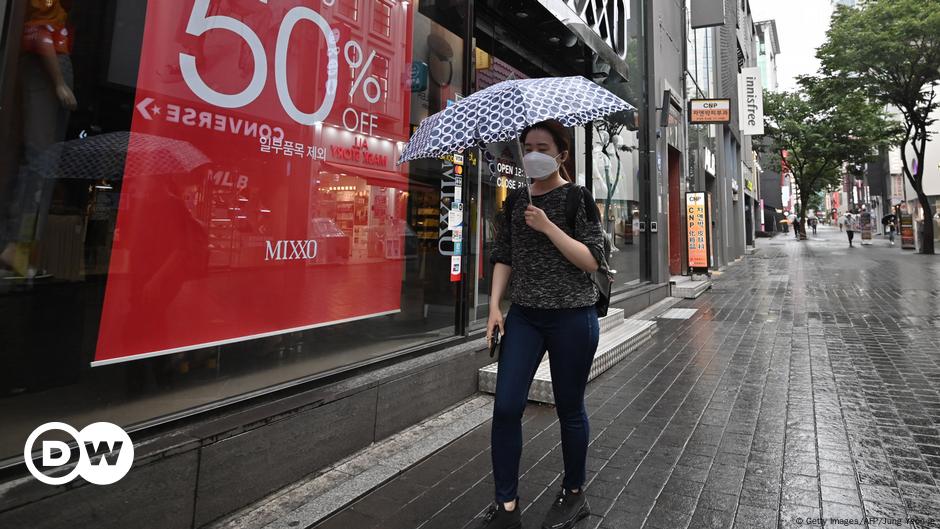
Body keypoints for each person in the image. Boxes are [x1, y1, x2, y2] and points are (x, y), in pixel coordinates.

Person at [479, 119, 604, 529]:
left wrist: (548, 226)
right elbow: (504, 255)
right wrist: (495, 306)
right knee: (506, 406)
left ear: (561, 155)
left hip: (573, 317)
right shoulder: (515, 201)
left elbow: (592, 261)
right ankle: (506, 505)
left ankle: (573, 492)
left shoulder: (578, 198)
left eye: (542, 147)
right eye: (527, 145)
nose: (533, 153)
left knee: (569, 407)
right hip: (526, 317)